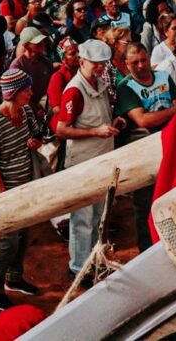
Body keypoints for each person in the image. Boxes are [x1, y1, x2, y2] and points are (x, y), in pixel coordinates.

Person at [55, 40, 121, 282]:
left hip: (101, 158)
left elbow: (100, 118)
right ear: (82, 62)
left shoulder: (101, 83)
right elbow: (62, 130)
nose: (101, 68)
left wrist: (112, 125)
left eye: (103, 64)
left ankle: (93, 261)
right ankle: (78, 267)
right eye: (96, 64)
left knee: (97, 216)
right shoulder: (74, 90)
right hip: (83, 162)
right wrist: (96, 132)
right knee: (82, 218)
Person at [0, 69, 43, 312]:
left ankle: (14, 279)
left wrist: (36, 141)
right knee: (9, 240)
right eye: (26, 89)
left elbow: (38, 134)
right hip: (6, 187)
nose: (30, 92)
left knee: (24, 234)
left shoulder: (26, 111)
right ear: (14, 93)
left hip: (25, 181)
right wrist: (3, 190)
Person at [115, 44, 176, 250]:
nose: (140, 66)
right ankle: (147, 248)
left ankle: (172, 242)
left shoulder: (163, 76)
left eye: (143, 60)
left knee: (172, 192)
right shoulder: (126, 87)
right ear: (126, 65)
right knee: (145, 201)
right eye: (135, 63)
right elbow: (143, 120)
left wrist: (172, 112)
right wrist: (173, 110)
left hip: (171, 142)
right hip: (144, 150)